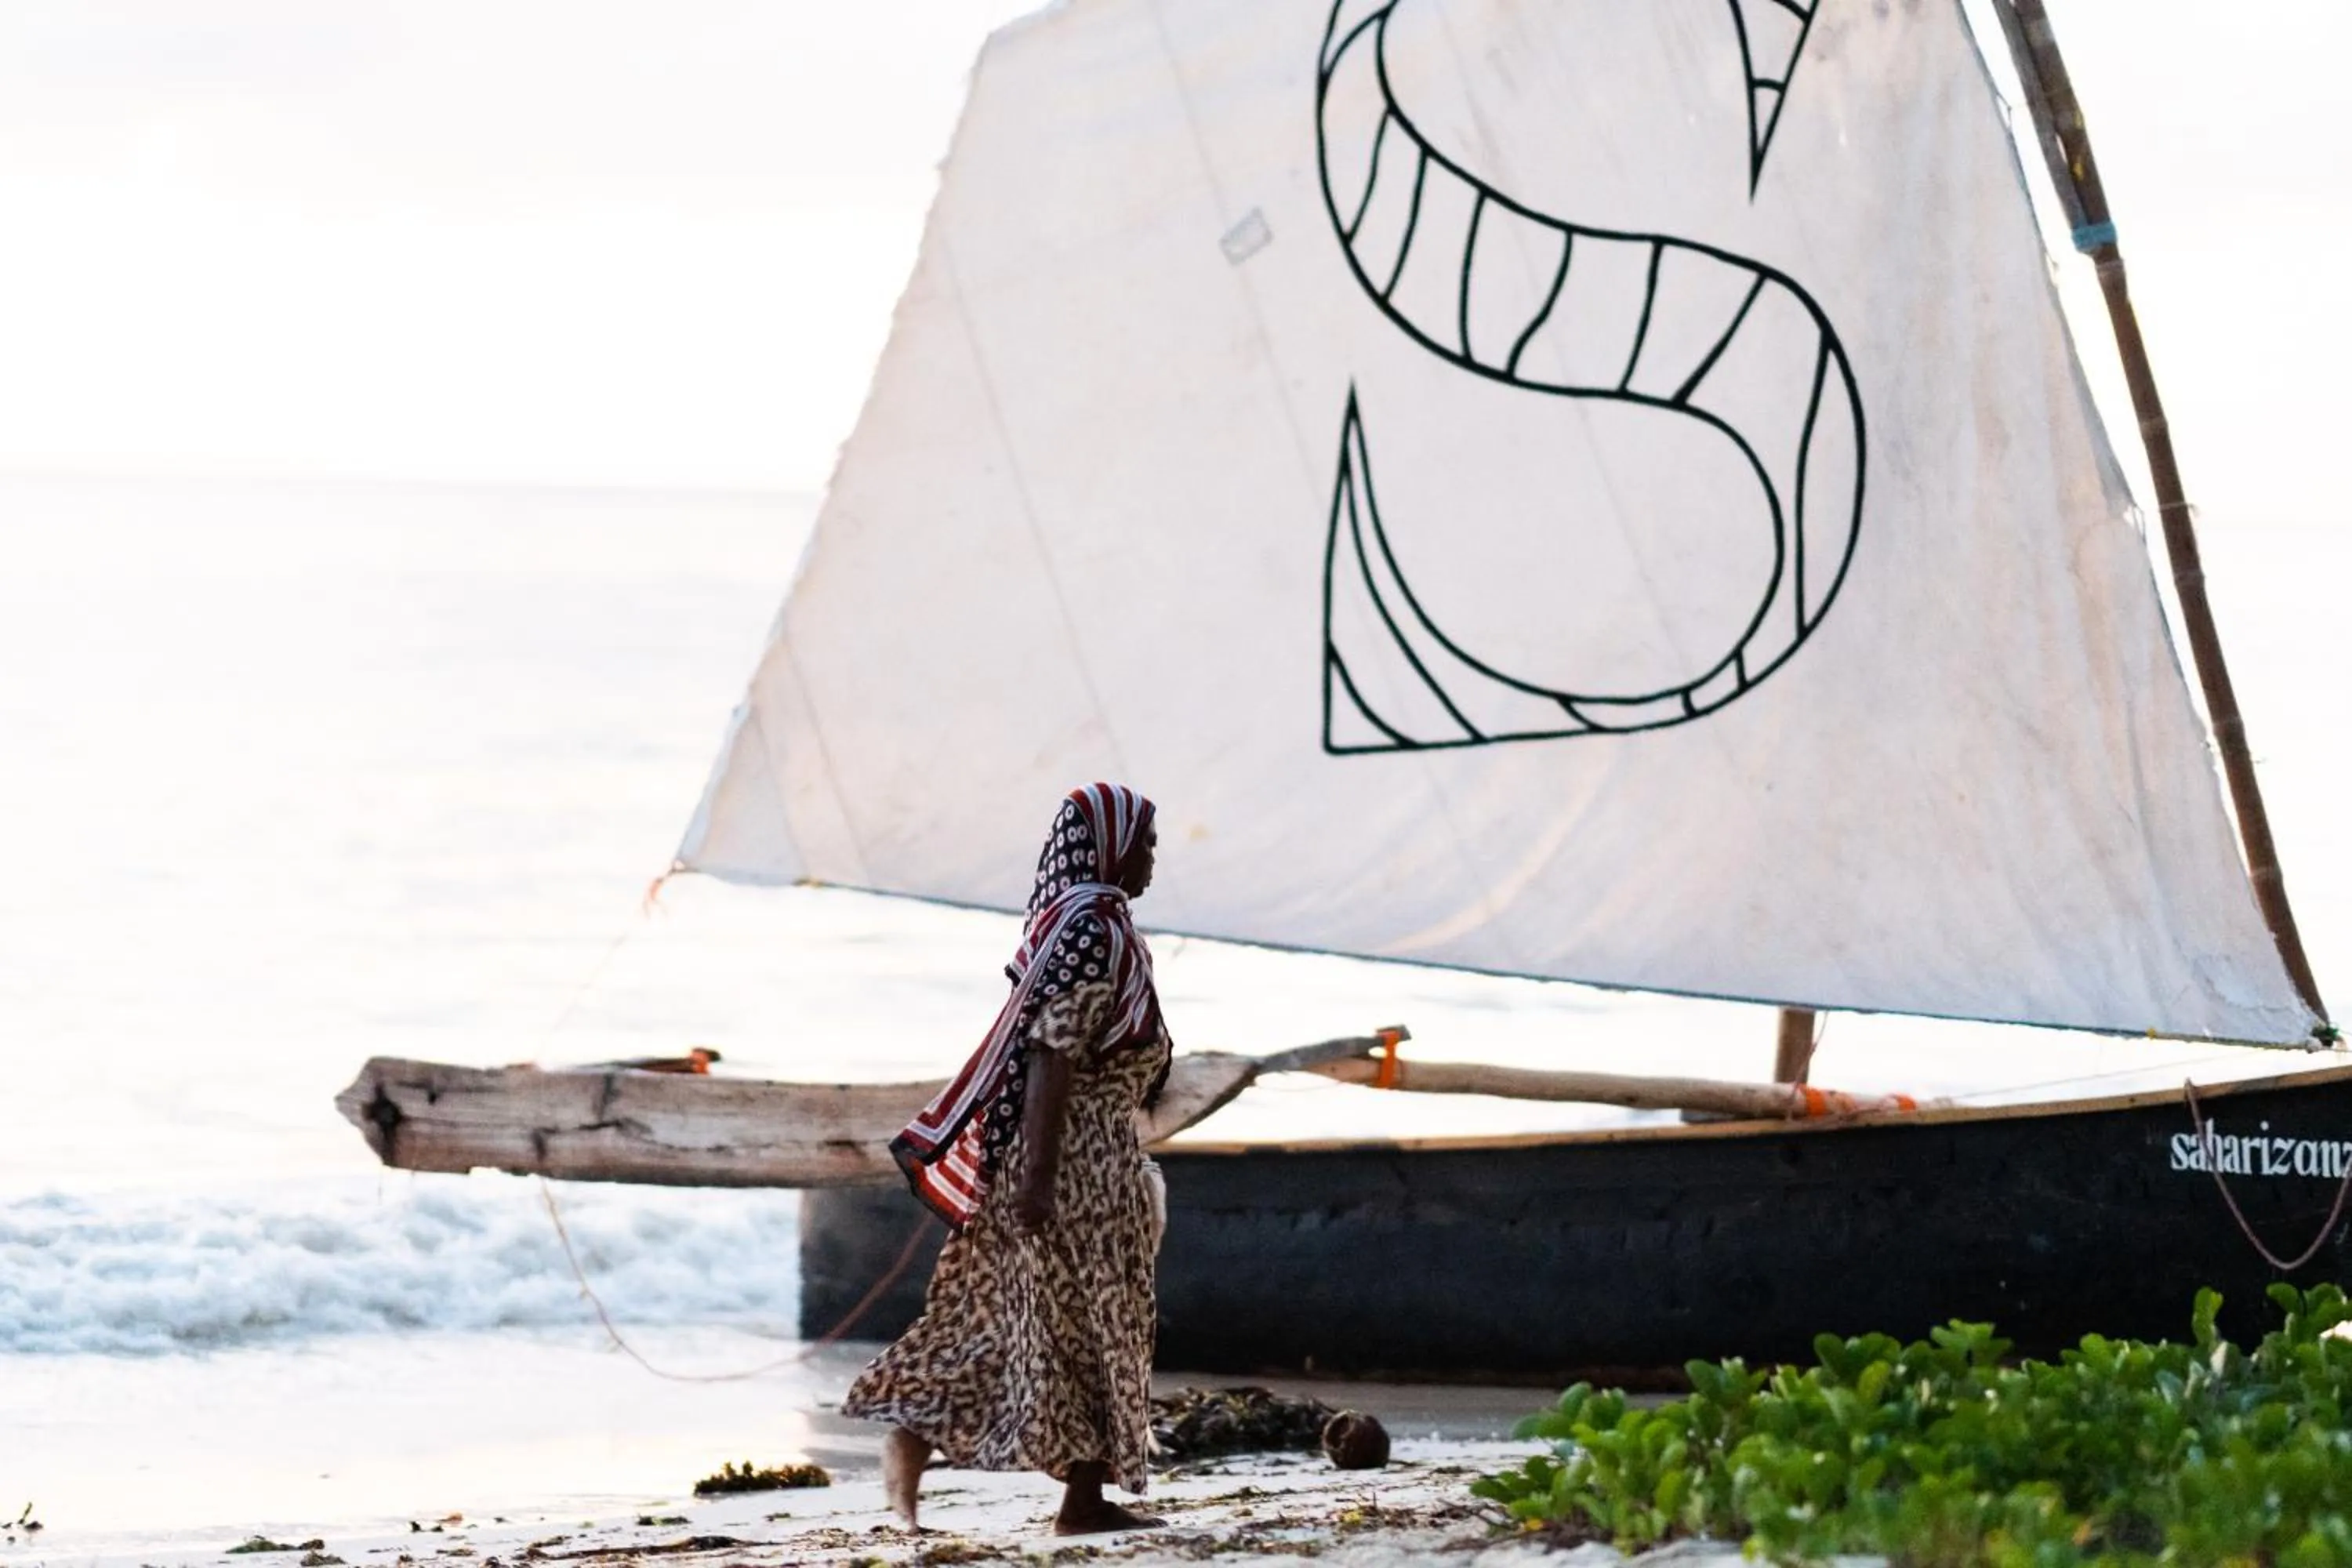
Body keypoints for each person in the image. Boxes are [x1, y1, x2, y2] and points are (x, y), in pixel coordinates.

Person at [842, 783, 1173, 1536]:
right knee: (1090, 1322)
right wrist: (1039, 1182)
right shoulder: (1094, 930)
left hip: (1082, 1154)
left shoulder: (1087, 925)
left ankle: (1050, 1488)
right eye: (1145, 843)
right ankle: (1066, 1497)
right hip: (1077, 1162)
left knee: (1028, 1320)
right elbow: (1053, 1052)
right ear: (1111, 847)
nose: (1152, 859)